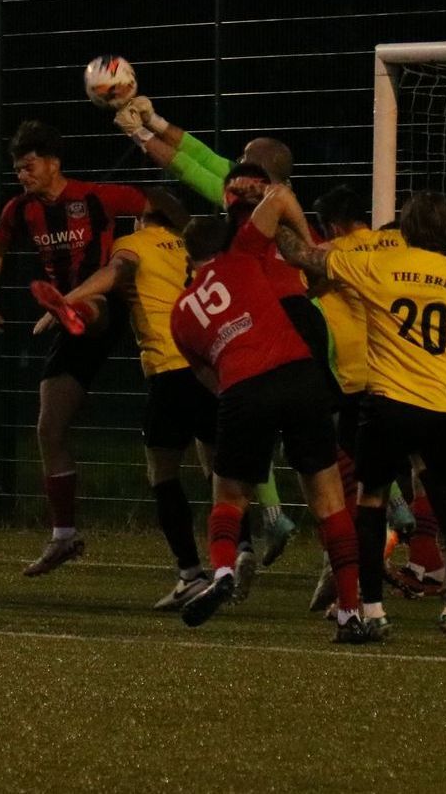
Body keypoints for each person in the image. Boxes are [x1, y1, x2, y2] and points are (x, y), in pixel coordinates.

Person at [261, 186, 446, 644]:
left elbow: (305, 259)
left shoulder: (377, 264)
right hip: (437, 411)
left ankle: (370, 610)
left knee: (370, 503)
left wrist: (277, 218)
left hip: (383, 407)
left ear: (406, 229)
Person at [166, 211, 371, 643]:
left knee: (229, 497)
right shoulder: (244, 258)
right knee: (330, 501)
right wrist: (307, 242)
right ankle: (351, 613)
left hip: (242, 387)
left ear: (189, 256)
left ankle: (222, 571)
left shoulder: (180, 312)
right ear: (225, 244)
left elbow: (210, 379)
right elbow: (277, 197)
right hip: (300, 376)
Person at [109, 97, 302, 557]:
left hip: (263, 316)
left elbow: (186, 168)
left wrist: (137, 134)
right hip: (295, 309)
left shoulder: (245, 199)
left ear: (256, 170)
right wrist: (153, 119)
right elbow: (199, 154)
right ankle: (391, 512)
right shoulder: (273, 193)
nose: (232, 164)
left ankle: (271, 520)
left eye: (242, 159)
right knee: (317, 424)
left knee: (245, 411)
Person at [0, 120, 152, 576]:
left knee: (94, 305)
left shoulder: (96, 197)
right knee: (49, 427)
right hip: (64, 325)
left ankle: (71, 309)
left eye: (29, 167)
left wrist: (155, 242)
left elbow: (152, 204)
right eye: (17, 170)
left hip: (105, 304)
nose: (23, 176)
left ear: (53, 163)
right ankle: (64, 536)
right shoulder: (21, 210)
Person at [40, 189, 222, 609]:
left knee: (162, 473)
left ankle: (190, 574)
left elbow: (115, 272)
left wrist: (70, 300)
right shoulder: (194, 248)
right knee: (220, 472)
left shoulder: (132, 244)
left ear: (142, 220)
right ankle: (237, 556)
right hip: (211, 368)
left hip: (168, 369)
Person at [307, 186, 446, 605]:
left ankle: (354, 579)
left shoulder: (336, 253)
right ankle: (430, 560)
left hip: (354, 381)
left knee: (344, 476)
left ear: (330, 224)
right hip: (408, 370)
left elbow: (301, 283)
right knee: (428, 466)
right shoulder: (397, 241)